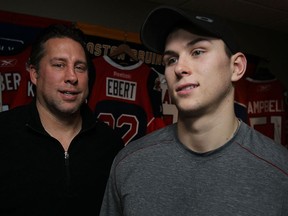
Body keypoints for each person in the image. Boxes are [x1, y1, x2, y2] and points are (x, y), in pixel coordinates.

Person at [99, 6, 288, 216]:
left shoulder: (280, 171)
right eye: (171, 59)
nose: (179, 68)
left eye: (197, 52)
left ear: (236, 67)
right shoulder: (129, 164)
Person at [0, 24, 124, 215]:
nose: (72, 77)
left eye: (80, 67)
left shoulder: (111, 145)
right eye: (59, 65)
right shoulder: (5, 133)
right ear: (34, 74)